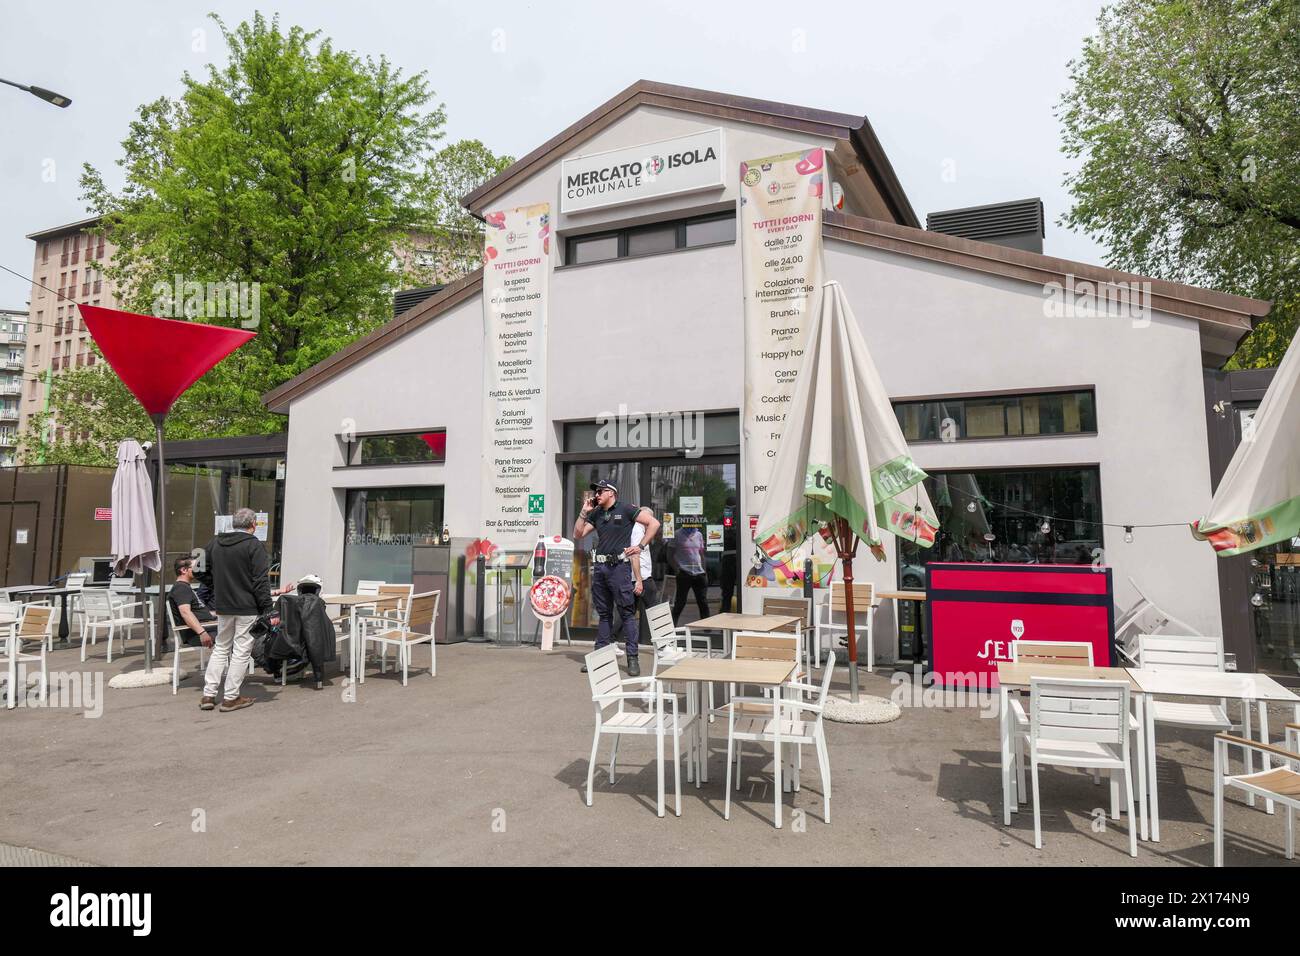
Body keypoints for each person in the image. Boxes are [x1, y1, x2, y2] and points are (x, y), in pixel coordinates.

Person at [195, 507, 295, 712]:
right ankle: (231, 697)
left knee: (221, 648)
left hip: (223, 604)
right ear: (254, 525)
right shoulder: (254, 546)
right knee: (241, 650)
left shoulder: (215, 543)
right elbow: (261, 581)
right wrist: (269, 610)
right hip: (247, 605)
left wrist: (216, 586)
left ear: (233, 523)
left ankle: (208, 694)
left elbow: (197, 569)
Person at [572, 479, 660, 676]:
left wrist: (641, 546)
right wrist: (584, 512)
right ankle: (600, 659)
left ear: (611, 493)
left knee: (627, 613)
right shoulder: (596, 513)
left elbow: (654, 523)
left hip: (619, 567)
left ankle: (632, 658)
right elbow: (578, 534)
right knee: (604, 614)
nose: (597, 494)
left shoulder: (627, 509)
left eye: (600, 491)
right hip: (601, 567)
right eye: (596, 491)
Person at [168, 556, 217, 649]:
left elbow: (197, 612)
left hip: (208, 626)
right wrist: (202, 633)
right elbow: (185, 613)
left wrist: (219, 614)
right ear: (184, 570)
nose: (199, 570)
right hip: (197, 635)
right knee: (239, 634)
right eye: (196, 567)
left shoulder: (185, 587)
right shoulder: (181, 588)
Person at [629, 510, 661, 647]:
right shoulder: (637, 531)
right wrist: (639, 580)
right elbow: (634, 555)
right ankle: (663, 645)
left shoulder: (639, 530)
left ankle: (611, 640)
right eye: (650, 519)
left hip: (639, 577)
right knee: (654, 610)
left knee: (628, 612)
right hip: (642, 578)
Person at [671, 524, 710, 624]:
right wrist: (676, 569)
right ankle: (671, 627)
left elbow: (701, 554)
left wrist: (705, 571)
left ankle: (707, 627)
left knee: (703, 602)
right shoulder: (677, 534)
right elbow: (669, 553)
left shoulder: (699, 534)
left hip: (699, 573)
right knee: (680, 602)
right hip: (684, 572)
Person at [718, 495, 738, 614]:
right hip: (736, 559)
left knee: (726, 593)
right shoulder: (740, 518)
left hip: (727, 558)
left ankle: (723, 616)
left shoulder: (722, 520)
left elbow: (714, 543)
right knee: (739, 592)